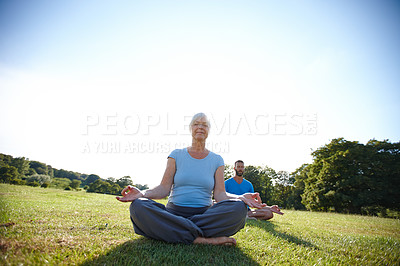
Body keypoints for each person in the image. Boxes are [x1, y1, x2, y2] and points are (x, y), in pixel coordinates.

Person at [116, 113, 267, 245]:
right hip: (173, 213)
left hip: (204, 215)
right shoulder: (176, 154)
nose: (200, 127)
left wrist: (240, 197)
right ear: (190, 129)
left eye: (205, 125)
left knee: (239, 209)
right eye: (196, 124)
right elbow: (163, 188)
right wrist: (142, 194)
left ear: (209, 130)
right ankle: (201, 238)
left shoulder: (217, 160)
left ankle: (174, 230)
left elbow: (220, 194)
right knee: (138, 206)